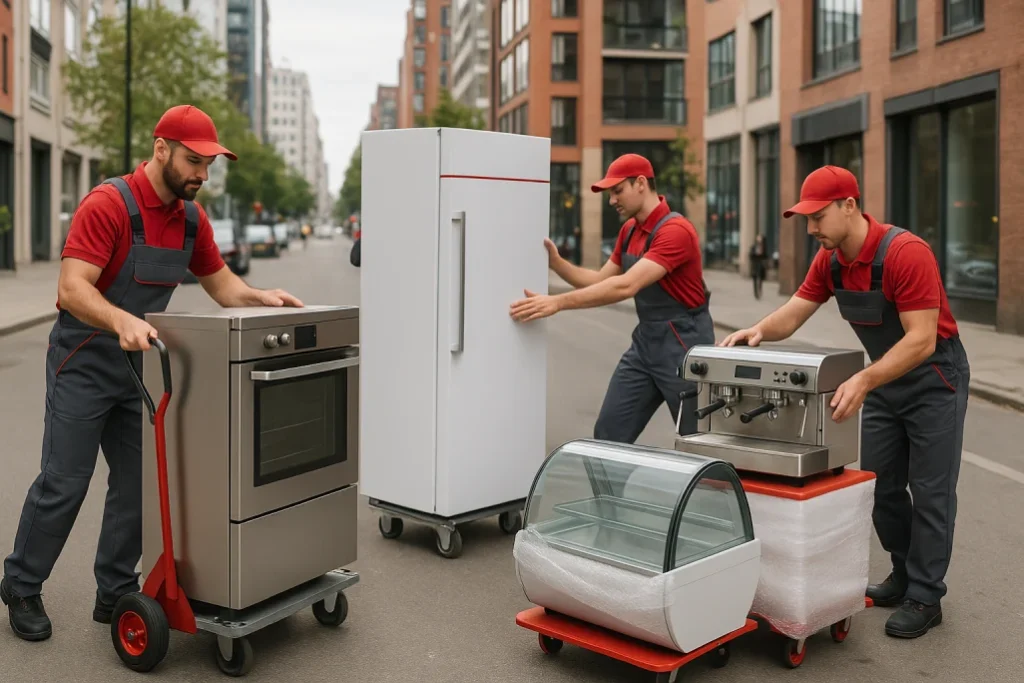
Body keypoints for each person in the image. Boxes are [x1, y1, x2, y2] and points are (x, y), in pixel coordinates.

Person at [1, 104, 303, 642]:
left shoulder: (190, 219)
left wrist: (261, 298)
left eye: (209, 165)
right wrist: (121, 319)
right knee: (65, 482)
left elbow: (222, 285)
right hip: (83, 362)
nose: (202, 175)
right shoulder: (107, 205)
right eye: (194, 161)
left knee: (139, 486)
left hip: (137, 368)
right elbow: (73, 288)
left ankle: (114, 590)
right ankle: (21, 583)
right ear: (161, 149)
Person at [720, 165, 970, 639]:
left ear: (849, 205)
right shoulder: (830, 261)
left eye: (817, 217)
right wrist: (759, 330)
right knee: (880, 487)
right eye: (806, 219)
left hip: (935, 379)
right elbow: (794, 312)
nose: (811, 228)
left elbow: (920, 341)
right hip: (882, 381)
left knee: (932, 491)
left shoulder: (906, 253)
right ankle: (903, 573)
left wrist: (863, 380)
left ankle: (926, 594)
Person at [510, 153, 715, 442]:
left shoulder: (676, 231)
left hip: (685, 346)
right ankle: (611, 490)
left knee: (701, 442)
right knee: (608, 435)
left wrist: (557, 302)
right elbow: (598, 279)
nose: (612, 200)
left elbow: (625, 286)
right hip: (646, 345)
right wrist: (556, 263)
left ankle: (718, 488)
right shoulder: (630, 231)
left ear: (641, 183)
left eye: (617, 191)